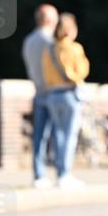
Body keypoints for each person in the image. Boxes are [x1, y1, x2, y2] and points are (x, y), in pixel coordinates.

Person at [42, 12, 90, 189]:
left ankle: (59, 173)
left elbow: (45, 73)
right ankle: (65, 174)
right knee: (69, 136)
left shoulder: (49, 49)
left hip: (52, 95)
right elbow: (82, 71)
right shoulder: (74, 48)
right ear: (70, 29)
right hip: (69, 94)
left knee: (57, 135)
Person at [22, 4, 58, 188]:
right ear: (50, 20)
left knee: (39, 136)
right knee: (58, 135)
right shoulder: (50, 41)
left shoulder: (29, 40)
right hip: (54, 91)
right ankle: (61, 173)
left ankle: (39, 175)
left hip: (38, 91)